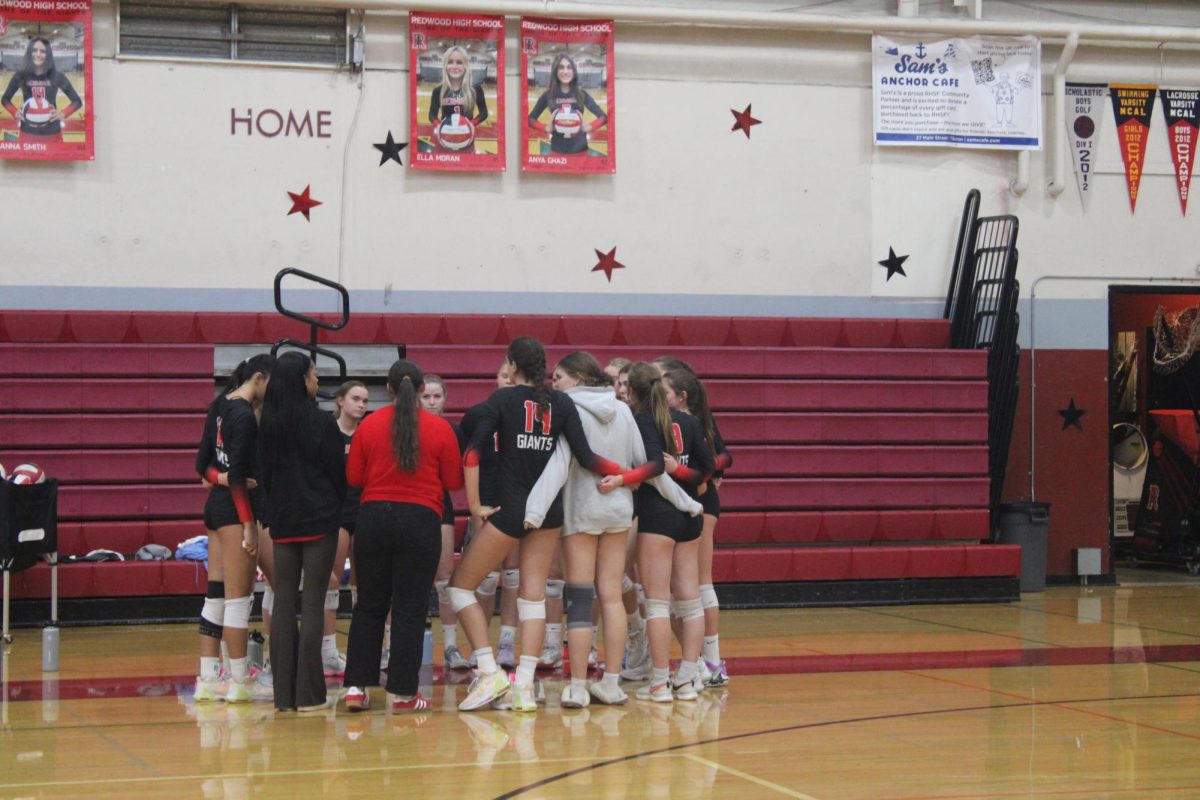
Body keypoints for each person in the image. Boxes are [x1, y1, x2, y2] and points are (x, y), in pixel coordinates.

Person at [449, 336, 624, 712]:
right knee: (533, 598)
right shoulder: (561, 403)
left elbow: (472, 451)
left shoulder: (501, 400)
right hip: (549, 514)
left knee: (460, 588)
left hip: (510, 510)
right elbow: (588, 458)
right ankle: (524, 687)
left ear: (512, 365)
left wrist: (476, 505)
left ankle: (487, 667)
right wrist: (629, 474)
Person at [525, 352, 701, 707]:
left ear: (576, 377)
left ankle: (576, 686)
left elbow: (560, 464)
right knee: (611, 595)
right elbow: (649, 467)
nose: (554, 383)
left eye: (558, 376)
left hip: (583, 512)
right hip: (619, 512)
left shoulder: (567, 408)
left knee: (579, 597)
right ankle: (611, 683)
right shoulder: (622, 410)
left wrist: (533, 510)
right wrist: (687, 501)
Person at [342, 360, 463, 713]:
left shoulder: (369, 425)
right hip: (421, 520)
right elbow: (454, 481)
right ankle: (403, 694)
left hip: (373, 519)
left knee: (369, 606)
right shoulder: (440, 429)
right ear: (422, 389)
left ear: (389, 390)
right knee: (409, 609)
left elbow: (353, 477)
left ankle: (355, 688)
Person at [599, 362, 714, 703]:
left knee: (659, 602)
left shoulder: (640, 421)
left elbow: (648, 469)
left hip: (659, 518)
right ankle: (689, 677)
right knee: (690, 602)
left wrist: (622, 478)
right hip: (691, 518)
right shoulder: (690, 421)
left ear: (631, 391)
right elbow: (707, 471)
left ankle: (660, 682)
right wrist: (682, 473)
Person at [258, 352, 347, 712]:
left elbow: (263, 476)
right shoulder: (321, 423)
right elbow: (337, 476)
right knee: (312, 602)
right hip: (318, 520)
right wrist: (334, 506)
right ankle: (309, 695)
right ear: (301, 379)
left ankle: (284, 696)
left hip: (282, 522)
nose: (318, 381)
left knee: (282, 602)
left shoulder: (267, 423)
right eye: (314, 375)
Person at [193, 354, 275, 704]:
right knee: (239, 601)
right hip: (233, 514)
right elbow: (239, 478)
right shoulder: (244, 416)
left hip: (214, 510)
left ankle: (209, 678)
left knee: (215, 595)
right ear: (259, 377)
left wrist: (219, 477)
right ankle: (241, 681)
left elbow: (202, 466)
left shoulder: (219, 405)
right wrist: (248, 527)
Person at [662, 367, 733, 687]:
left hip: (701, 503)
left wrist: (704, 475)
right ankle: (700, 660)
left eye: (664, 388)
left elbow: (723, 457)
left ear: (681, 394)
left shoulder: (697, 421)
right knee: (683, 590)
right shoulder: (671, 421)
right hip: (685, 502)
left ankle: (713, 661)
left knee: (700, 584)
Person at [458, 360, 519, 672]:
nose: (507, 380)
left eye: (512, 376)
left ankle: (507, 641)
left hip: (518, 502)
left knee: (513, 575)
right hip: (487, 503)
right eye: (502, 375)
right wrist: (475, 504)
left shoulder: (527, 414)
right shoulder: (479, 415)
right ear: (495, 379)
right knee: (484, 576)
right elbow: (467, 459)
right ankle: (478, 644)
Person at [323, 380, 369, 676]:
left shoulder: (368, 433)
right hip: (336, 514)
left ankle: (361, 649)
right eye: (355, 399)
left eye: (365, 400)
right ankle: (328, 651)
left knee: (363, 586)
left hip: (364, 512)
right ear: (340, 400)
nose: (361, 405)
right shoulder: (328, 433)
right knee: (331, 582)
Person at [1, 38, 83, 143]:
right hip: (27, 132)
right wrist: (14, 112)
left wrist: (62, 113)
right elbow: (5, 99)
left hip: (53, 132)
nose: (38, 54)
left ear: (48, 54)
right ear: (30, 52)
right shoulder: (21, 75)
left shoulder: (57, 76)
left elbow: (77, 101)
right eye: (35, 50)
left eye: (43, 51)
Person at [526, 52, 608, 156]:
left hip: (581, 150)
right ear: (556, 71)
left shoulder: (581, 94)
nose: (565, 71)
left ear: (574, 71)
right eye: (561, 67)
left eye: (569, 67)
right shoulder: (548, 95)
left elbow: (604, 117)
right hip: (557, 151)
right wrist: (546, 128)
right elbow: (529, 120)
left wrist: (588, 127)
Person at [428, 45, 488, 153]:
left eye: (459, 62)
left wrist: (472, 123)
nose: (454, 66)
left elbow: (484, 112)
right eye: (450, 62)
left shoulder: (475, 89)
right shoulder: (438, 90)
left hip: (466, 140)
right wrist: (439, 126)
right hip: (444, 140)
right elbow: (432, 115)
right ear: (445, 65)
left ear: (465, 66)